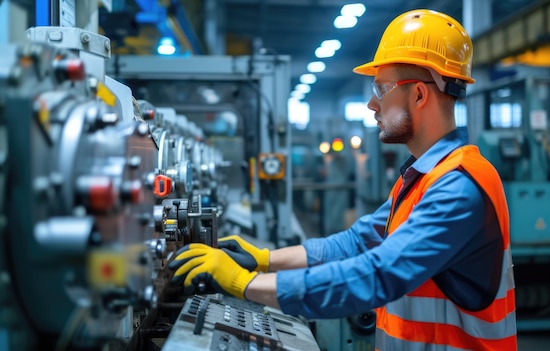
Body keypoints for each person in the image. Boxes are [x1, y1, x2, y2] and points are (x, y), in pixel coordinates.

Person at [169, 9, 517, 351]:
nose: (371, 104)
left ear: (419, 95)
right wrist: (263, 259)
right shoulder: (423, 177)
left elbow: (377, 274)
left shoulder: (459, 186)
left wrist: (246, 283)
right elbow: (353, 244)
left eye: (381, 89)